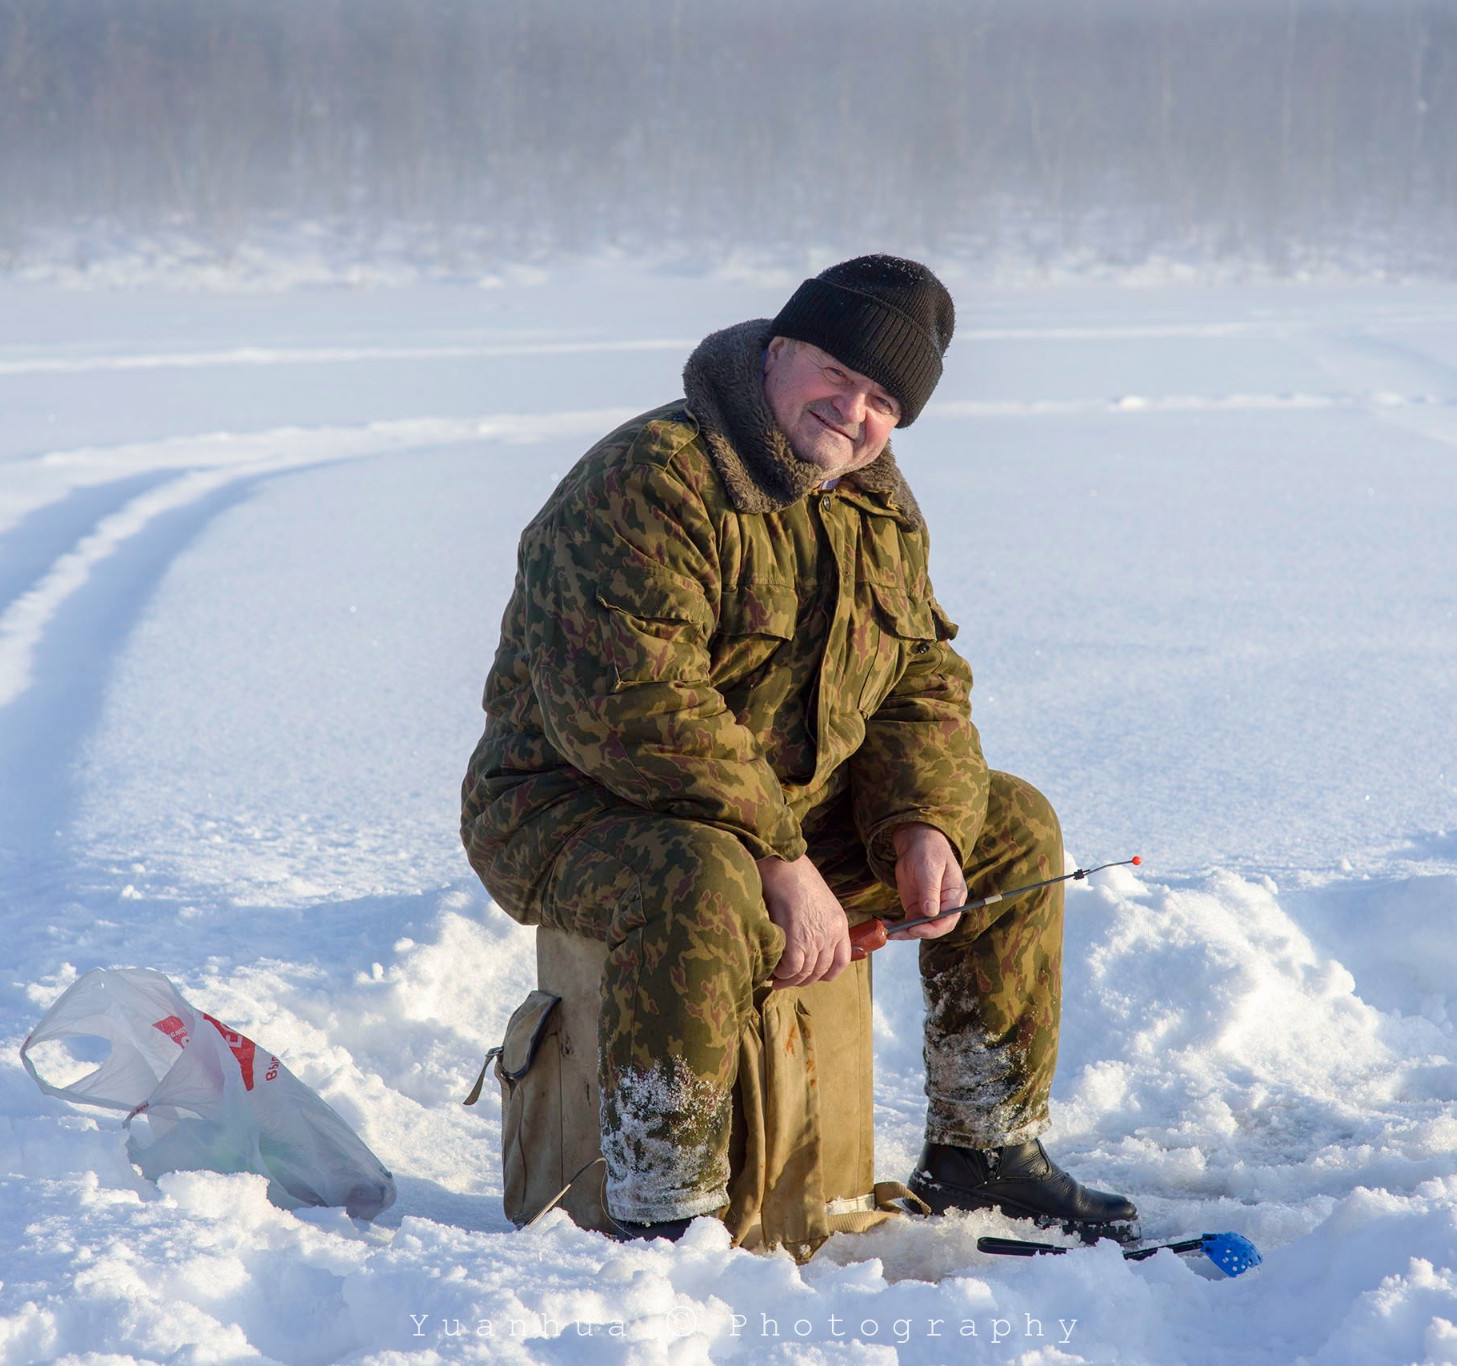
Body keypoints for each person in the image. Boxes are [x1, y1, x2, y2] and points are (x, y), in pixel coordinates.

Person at [460, 255, 1135, 1242]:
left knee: (1011, 826)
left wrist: (922, 824)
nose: (851, 409)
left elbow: (918, 679)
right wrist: (777, 857)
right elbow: (634, 705)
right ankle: (666, 1209)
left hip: (771, 810)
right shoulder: (651, 482)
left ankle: (981, 1150)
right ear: (776, 353)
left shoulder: (874, 507)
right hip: (573, 804)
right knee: (696, 876)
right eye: (835, 372)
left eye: (880, 400)